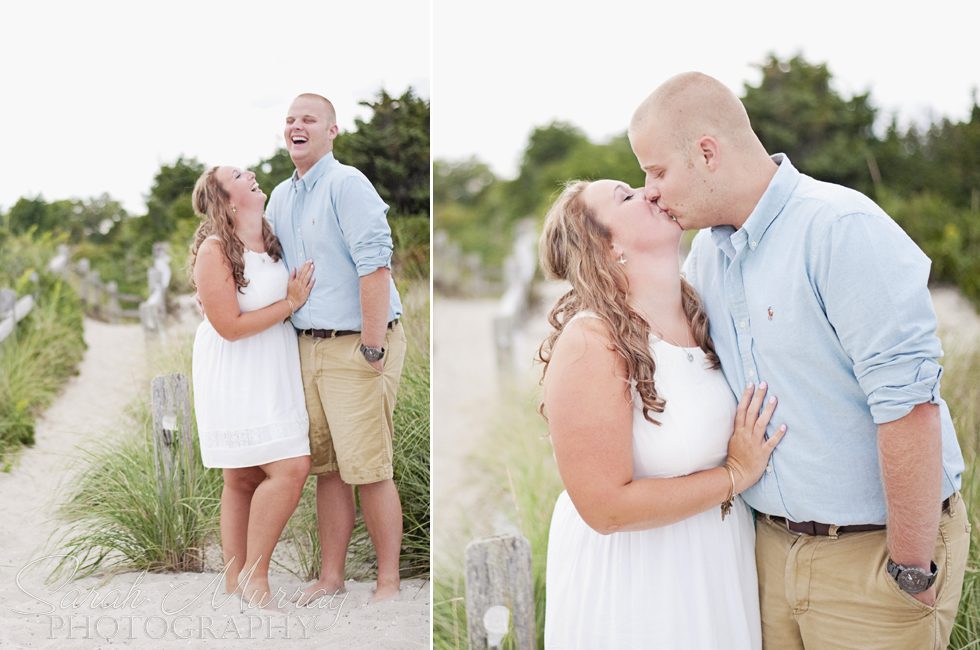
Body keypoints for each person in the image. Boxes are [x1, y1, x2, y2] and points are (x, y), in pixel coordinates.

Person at [629, 71, 969, 649]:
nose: (650, 190)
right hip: (764, 552)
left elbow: (909, 407)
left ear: (707, 152)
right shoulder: (706, 259)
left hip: (874, 556)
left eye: (657, 170)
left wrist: (910, 569)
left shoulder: (840, 229)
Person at [537, 178, 787, 649]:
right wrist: (735, 474)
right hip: (638, 584)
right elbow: (604, 508)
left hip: (715, 567)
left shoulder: (702, 314)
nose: (649, 192)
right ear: (608, 246)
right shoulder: (592, 341)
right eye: (625, 197)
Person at [265, 93, 407, 604]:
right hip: (307, 347)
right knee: (327, 469)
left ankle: (388, 584)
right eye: (289, 120)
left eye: (308, 119)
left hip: (357, 345)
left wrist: (372, 348)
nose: (296, 126)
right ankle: (331, 578)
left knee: (369, 468)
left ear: (331, 131)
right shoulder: (281, 195)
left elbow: (375, 265)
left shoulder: (347, 184)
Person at [190, 165, 316, 608]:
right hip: (235, 366)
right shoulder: (215, 248)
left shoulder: (275, 232)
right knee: (284, 468)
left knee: (249, 474)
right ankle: (252, 576)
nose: (252, 174)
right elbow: (228, 326)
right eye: (240, 175)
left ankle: (236, 581)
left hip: (273, 364)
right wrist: (290, 304)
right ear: (227, 199)